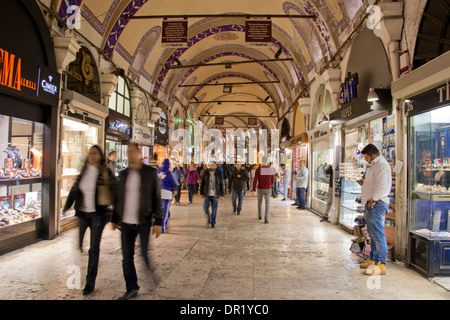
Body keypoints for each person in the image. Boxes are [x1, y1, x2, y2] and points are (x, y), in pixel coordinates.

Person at [63, 145, 117, 296]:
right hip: (82, 214)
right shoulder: (85, 171)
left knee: (93, 248)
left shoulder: (105, 172)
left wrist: (115, 212)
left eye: (95, 153)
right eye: (90, 153)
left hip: (97, 215)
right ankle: (88, 270)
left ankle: (90, 282)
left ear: (100, 156)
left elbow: (116, 190)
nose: (92, 156)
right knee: (80, 245)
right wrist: (67, 206)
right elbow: (75, 189)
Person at [111, 143, 163, 300]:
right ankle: (132, 288)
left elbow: (156, 198)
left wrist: (158, 221)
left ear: (138, 153)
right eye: (128, 153)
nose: (129, 155)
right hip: (126, 222)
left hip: (144, 221)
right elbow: (118, 197)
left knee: (144, 254)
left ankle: (150, 271)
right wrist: (114, 217)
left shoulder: (150, 173)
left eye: (132, 152)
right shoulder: (124, 174)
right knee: (127, 258)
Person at [357, 144, 392, 276]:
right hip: (371, 203)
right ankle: (372, 259)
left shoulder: (381, 165)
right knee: (372, 234)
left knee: (378, 235)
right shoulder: (374, 165)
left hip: (377, 204)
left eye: (366, 157)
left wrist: (375, 199)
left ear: (373, 155)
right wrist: (364, 182)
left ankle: (380, 264)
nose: (365, 159)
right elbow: (374, 182)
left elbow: (382, 185)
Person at [200, 162, 225, 228]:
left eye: (213, 165)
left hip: (215, 194)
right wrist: (201, 193)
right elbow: (202, 183)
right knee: (205, 208)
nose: (212, 166)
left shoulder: (219, 173)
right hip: (207, 194)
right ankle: (209, 218)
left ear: (216, 166)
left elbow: (221, 183)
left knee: (214, 210)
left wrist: (222, 194)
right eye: (211, 165)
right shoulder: (206, 173)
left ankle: (213, 222)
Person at [158, 159, 179, 233]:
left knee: (160, 211)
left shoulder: (158, 171)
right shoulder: (169, 173)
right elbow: (175, 183)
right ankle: (163, 228)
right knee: (165, 212)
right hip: (167, 194)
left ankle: (160, 226)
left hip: (158, 194)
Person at [252, 157, 275, 223]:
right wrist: (270, 185)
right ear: (267, 161)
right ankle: (266, 218)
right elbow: (272, 180)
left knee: (259, 202)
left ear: (261, 161)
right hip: (268, 188)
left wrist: (253, 189)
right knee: (267, 203)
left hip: (260, 188)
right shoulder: (270, 169)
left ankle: (260, 215)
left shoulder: (258, 169)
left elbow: (255, 179)